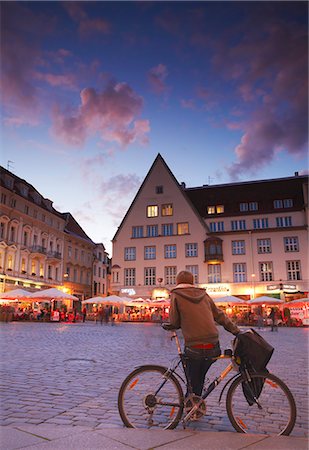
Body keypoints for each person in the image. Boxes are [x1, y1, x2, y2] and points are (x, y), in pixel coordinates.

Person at [165, 270, 240, 398]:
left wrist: (169, 326)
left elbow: (174, 322)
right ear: (192, 281)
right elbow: (220, 316)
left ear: (177, 282)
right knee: (199, 376)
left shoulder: (176, 295)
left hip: (193, 347)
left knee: (193, 376)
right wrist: (236, 331)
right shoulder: (204, 295)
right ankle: (195, 401)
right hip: (213, 346)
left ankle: (192, 402)